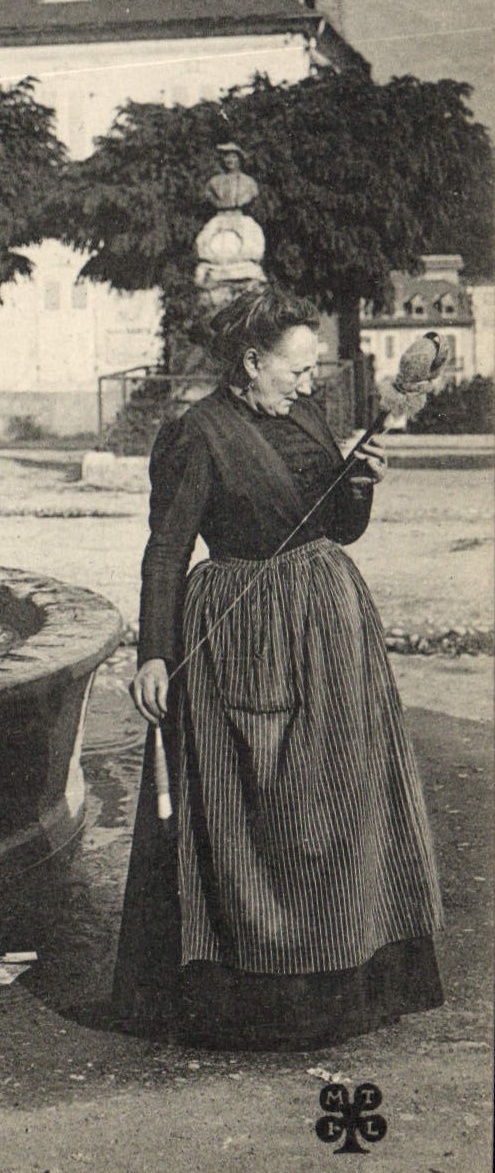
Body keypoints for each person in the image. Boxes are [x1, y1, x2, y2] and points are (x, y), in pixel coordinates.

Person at [113, 285, 444, 1049]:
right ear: (252, 361)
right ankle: (265, 997)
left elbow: (339, 527)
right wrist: (155, 653)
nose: (308, 382)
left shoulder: (305, 416)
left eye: (312, 369)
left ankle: (352, 975)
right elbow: (166, 550)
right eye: (296, 368)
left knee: (343, 801)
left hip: (330, 624)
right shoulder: (195, 434)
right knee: (266, 814)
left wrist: (359, 481)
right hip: (246, 636)